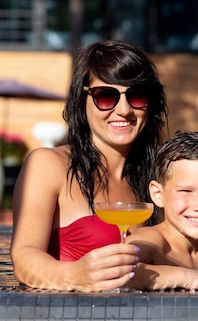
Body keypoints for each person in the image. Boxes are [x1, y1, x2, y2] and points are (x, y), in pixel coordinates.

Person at [10, 40, 168, 292]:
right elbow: (23, 258)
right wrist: (74, 275)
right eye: (106, 96)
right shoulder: (50, 165)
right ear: (82, 101)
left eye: (137, 95)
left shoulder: (156, 180)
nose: (124, 110)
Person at [125, 130, 198, 290]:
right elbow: (116, 272)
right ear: (158, 194)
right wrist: (187, 277)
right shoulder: (152, 240)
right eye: (186, 191)